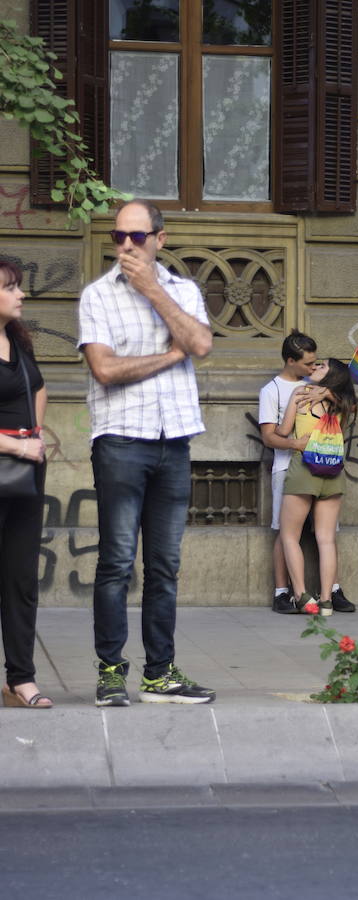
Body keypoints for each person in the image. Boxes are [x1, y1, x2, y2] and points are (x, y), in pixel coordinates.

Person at [78, 199, 216, 707]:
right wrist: (170, 355)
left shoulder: (182, 290)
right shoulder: (97, 296)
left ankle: (160, 674)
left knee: (165, 566)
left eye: (138, 237)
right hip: (120, 442)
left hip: (174, 441)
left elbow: (200, 343)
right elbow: (106, 371)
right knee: (116, 562)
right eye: (119, 237)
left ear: (161, 237)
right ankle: (111, 672)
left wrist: (153, 290)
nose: (127, 247)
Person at [259, 332, 355, 613]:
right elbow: (270, 437)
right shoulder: (272, 391)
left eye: (318, 364)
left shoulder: (305, 392)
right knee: (315, 536)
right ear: (291, 361)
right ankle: (315, 596)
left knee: (291, 534)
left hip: (303, 469)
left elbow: (282, 429)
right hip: (321, 468)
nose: (313, 368)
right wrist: (293, 443)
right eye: (310, 363)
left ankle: (303, 595)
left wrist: (321, 392)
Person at [0, 260, 51, 709]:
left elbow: (39, 387)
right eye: (12, 288)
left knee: (20, 580)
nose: (21, 295)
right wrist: (17, 447)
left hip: (25, 476)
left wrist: (34, 436)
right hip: (11, 463)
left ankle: (21, 679)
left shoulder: (18, 341)